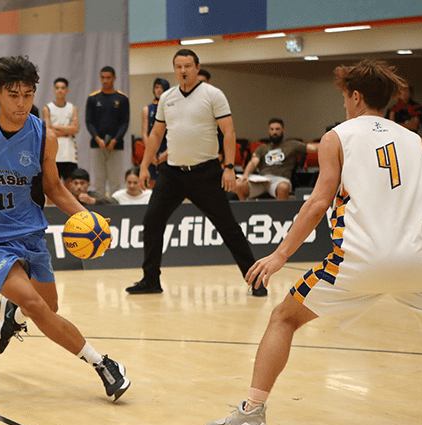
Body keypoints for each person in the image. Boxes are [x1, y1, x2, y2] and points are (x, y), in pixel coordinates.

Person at [206, 58, 422, 425]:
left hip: (358, 260)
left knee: (284, 318)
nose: (343, 104)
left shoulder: (338, 137)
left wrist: (280, 254)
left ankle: (252, 413)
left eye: (344, 97)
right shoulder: (417, 142)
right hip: (418, 261)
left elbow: (318, 203)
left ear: (355, 96)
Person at [0, 55, 131, 401]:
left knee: (48, 308)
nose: (21, 103)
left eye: (28, 95)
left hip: (30, 233)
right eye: (13, 95)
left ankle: (11, 312)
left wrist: (92, 220)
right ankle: (103, 364)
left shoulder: (43, 135)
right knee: (37, 306)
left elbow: (54, 189)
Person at [127, 49, 265, 297]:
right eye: (178, 66)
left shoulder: (213, 95)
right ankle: (150, 280)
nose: (183, 71)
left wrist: (230, 167)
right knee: (152, 221)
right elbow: (157, 134)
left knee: (228, 227)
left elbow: (229, 132)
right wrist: (145, 166)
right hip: (172, 175)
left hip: (206, 173)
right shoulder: (167, 97)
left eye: (188, 66)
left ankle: (255, 280)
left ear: (197, 68)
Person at [234, 118, 309, 201]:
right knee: (238, 185)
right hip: (262, 179)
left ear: (283, 130)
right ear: (269, 131)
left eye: (277, 129)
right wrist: (246, 174)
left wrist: (325, 143)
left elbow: (311, 148)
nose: (274, 132)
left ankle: (281, 213)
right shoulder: (262, 148)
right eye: (272, 129)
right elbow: (253, 162)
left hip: (280, 179)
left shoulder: (291, 144)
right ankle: (244, 211)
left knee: (283, 187)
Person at [85, 66, 130, 195]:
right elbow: (89, 122)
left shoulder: (122, 99)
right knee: (98, 180)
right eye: (103, 77)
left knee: (115, 180)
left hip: (116, 146)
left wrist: (115, 140)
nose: (105, 81)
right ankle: (100, 211)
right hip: (97, 145)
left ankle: (115, 209)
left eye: (108, 77)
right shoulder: (93, 98)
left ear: (114, 78)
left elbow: (125, 123)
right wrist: (97, 139)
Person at [43, 77, 80, 185]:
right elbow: (48, 130)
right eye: (57, 88)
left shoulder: (72, 108)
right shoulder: (48, 108)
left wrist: (57, 127)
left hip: (69, 151)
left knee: (69, 182)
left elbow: (75, 129)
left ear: (67, 90)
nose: (60, 90)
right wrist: (67, 130)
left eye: (63, 88)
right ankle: (50, 203)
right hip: (54, 149)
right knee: (53, 183)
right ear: (54, 90)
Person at [141, 77, 170, 187]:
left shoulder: (171, 107)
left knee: (168, 182)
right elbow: (145, 133)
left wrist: (167, 152)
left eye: (161, 87)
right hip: (152, 147)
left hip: (167, 147)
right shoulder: (147, 109)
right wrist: (150, 153)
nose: (158, 90)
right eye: (156, 87)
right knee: (152, 181)